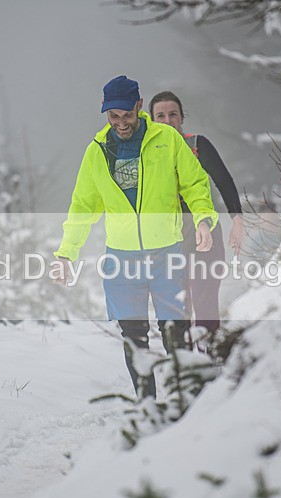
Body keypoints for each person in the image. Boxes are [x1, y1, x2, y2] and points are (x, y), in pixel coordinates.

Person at [52, 76, 218, 398]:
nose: (121, 123)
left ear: (139, 106)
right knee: (133, 336)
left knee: (175, 332)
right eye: (113, 116)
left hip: (166, 254)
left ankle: (188, 403)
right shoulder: (97, 151)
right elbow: (83, 207)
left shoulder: (167, 140)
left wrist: (202, 221)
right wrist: (65, 254)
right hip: (122, 259)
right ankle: (148, 408)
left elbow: (195, 184)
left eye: (126, 115)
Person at [149, 91, 244, 347]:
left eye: (173, 114)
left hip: (205, 233)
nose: (168, 120)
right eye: (161, 116)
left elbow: (223, 181)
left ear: (182, 118)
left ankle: (211, 363)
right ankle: (182, 367)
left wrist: (237, 220)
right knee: (175, 305)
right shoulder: (145, 154)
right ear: (152, 120)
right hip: (166, 238)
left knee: (205, 301)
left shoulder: (197, 146)